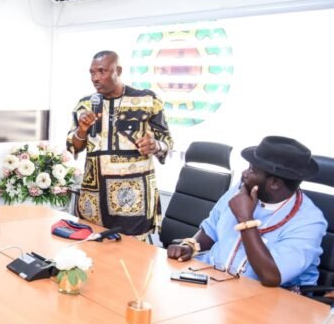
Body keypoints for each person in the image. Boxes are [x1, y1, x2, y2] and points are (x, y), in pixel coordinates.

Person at [167, 136, 326, 288]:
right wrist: (189, 246)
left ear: (275, 183)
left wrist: (245, 219)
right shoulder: (242, 189)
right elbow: (211, 229)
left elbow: (271, 276)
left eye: (253, 170)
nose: (244, 174)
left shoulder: (309, 222)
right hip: (213, 281)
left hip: (268, 301)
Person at [67, 50, 173, 240]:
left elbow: (167, 142)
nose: (95, 78)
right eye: (92, 72)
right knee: (93, 255)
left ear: (119, 70)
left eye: (102, 71)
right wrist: (81, 131)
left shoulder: (147, 100)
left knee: (133, 260)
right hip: (94, 199)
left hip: (133, 199)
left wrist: (155, 145)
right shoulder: (85, 104)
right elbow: (73, 146)